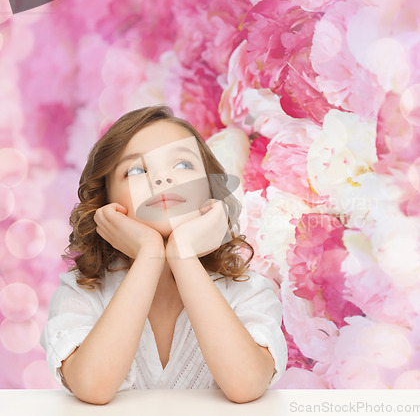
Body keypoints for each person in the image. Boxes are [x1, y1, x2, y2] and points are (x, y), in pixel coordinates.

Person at [40, 105, 288, 405]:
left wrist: (183, 255)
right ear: (106, 202)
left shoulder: (247, 291)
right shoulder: (82, 293)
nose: (161, 180)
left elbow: (246, 385)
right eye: (136, 170)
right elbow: (92, 387)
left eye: (183, 165)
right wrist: (149, 255)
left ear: (211, 191)